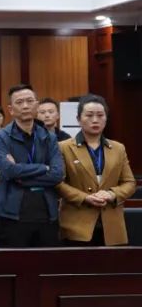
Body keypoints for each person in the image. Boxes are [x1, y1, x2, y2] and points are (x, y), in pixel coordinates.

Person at [56, 95, 136, 245]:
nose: (95, 120)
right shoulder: (63, 147)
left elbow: (129, 183)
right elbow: (58, 183)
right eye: (89, 115)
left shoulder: (118, 148)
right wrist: (84, 197)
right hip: (76, 226)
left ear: (106, 118)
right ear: (78, 119)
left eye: (100, 115)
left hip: (112, 225)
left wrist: (112, 194)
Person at [0, 84, 65, 247]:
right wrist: (43, 168)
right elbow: (9, 171)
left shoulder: (49, 137)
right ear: (11, 109)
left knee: (47, 261)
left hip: (46, 212)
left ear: (37, 106)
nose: (25, 106)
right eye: (19, 102)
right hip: (12, 213)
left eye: (30, 101)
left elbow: (57, 174)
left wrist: (21, 176)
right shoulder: (1, 137)